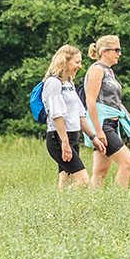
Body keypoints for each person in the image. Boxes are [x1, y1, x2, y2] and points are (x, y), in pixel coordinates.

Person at [83, 35, 130, 190]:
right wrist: (98, 131)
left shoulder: (109, 72)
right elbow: (91, 101)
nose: (119, 53)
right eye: (116, 50)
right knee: (127, 162)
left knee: (100, 171)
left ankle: (94, 205)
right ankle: (119, 199)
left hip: (113, 122)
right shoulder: (96, 69)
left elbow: (116, 102)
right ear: (104, 52)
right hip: (103, 124)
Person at [41, 44, 101, 190]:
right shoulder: (53, 83)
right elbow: (57, 115)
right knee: (84, 181)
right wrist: (64, 142)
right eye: (76, 62)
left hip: (73, 136)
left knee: (66, 180)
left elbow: (80, 115)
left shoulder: (69, 84)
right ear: (65, 62)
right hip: (59, 138)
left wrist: (93, 137)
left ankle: (63, 211)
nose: (80, 66)